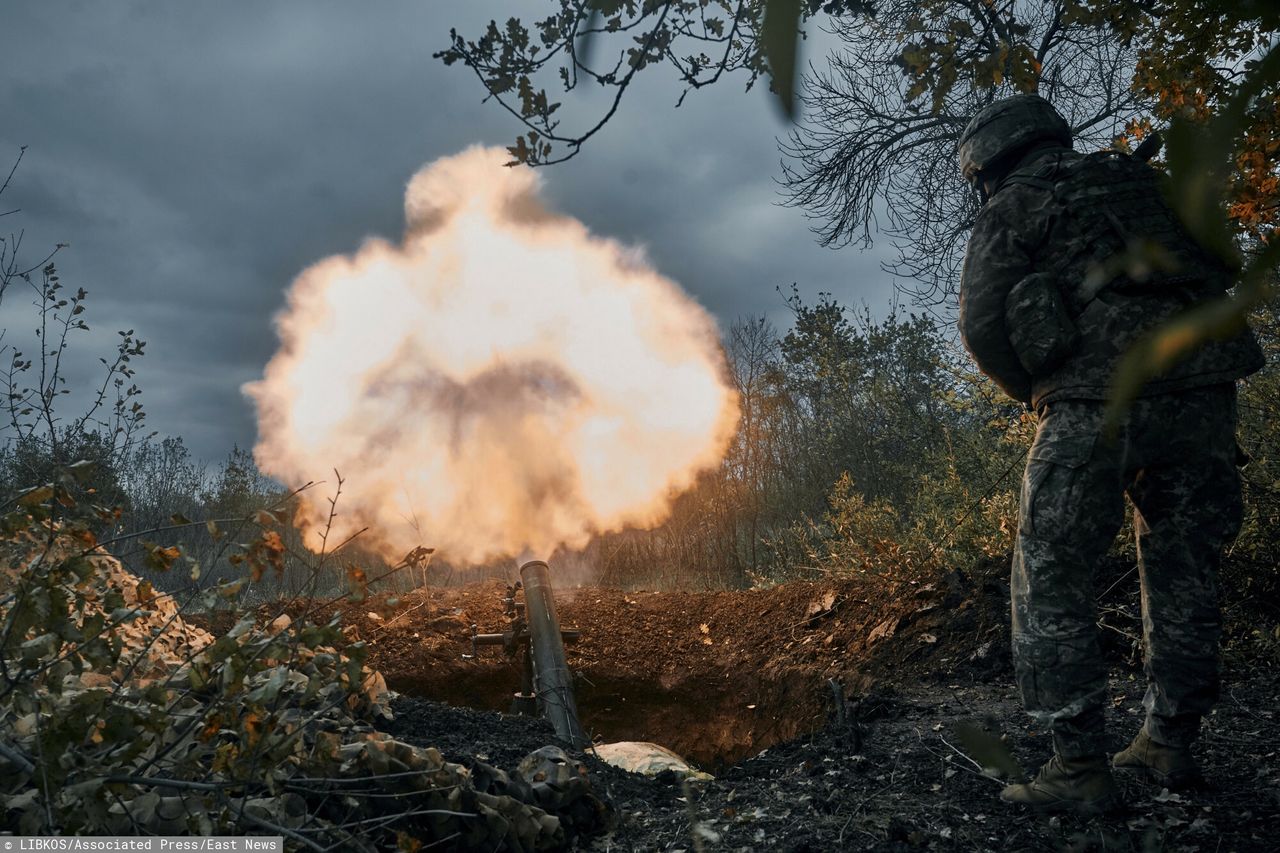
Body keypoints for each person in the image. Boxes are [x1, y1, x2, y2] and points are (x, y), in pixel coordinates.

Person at [955, 93, 1264, 813]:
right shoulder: (1145, 183)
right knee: (1186, 565)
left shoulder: (1017, 203)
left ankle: (1079, 768)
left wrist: (1038, 388)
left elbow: (980, 320)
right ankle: (1170, 741)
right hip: (1204, 389)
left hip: (1096, 402)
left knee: (1050, 569)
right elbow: (1224, 257)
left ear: (987, 164)